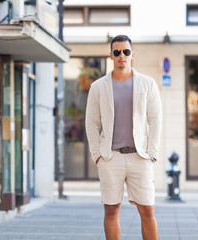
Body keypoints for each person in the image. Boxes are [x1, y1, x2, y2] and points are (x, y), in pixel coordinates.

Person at [85, 34, 162, 240]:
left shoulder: (148, 84)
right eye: (117, 52)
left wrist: (152, 154)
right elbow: (91, 123)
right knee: (111, 210)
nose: (122, 56)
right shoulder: (98, 87)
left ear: (132, 54)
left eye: (126, 52)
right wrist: (97, 156)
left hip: (140, 157)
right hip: (111, 158)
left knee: (147, 211)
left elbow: (155, 120)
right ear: (111, 55)